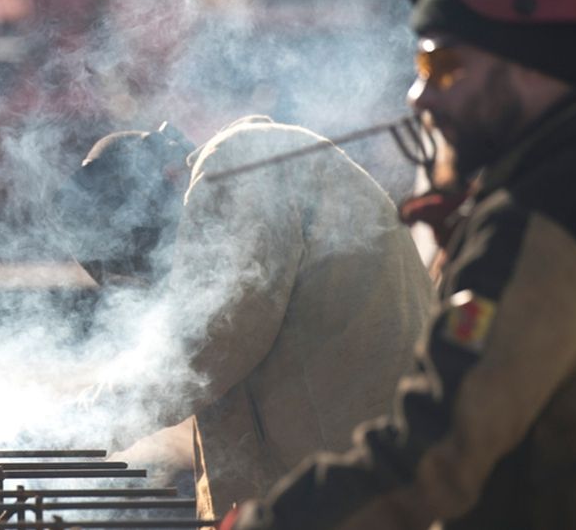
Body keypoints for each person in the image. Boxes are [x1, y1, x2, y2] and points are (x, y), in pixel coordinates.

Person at [226, 0, 576, 528]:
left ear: (520, 62)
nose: (420, 93)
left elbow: (427, 461)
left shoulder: (541, 218)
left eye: (442, 62)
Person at [56, 117, 432, 517]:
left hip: (358, 488)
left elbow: (208, 342)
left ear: (166, 177)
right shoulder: (246, 173)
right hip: (343, 481)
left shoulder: (240, 160)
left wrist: (75, 429)